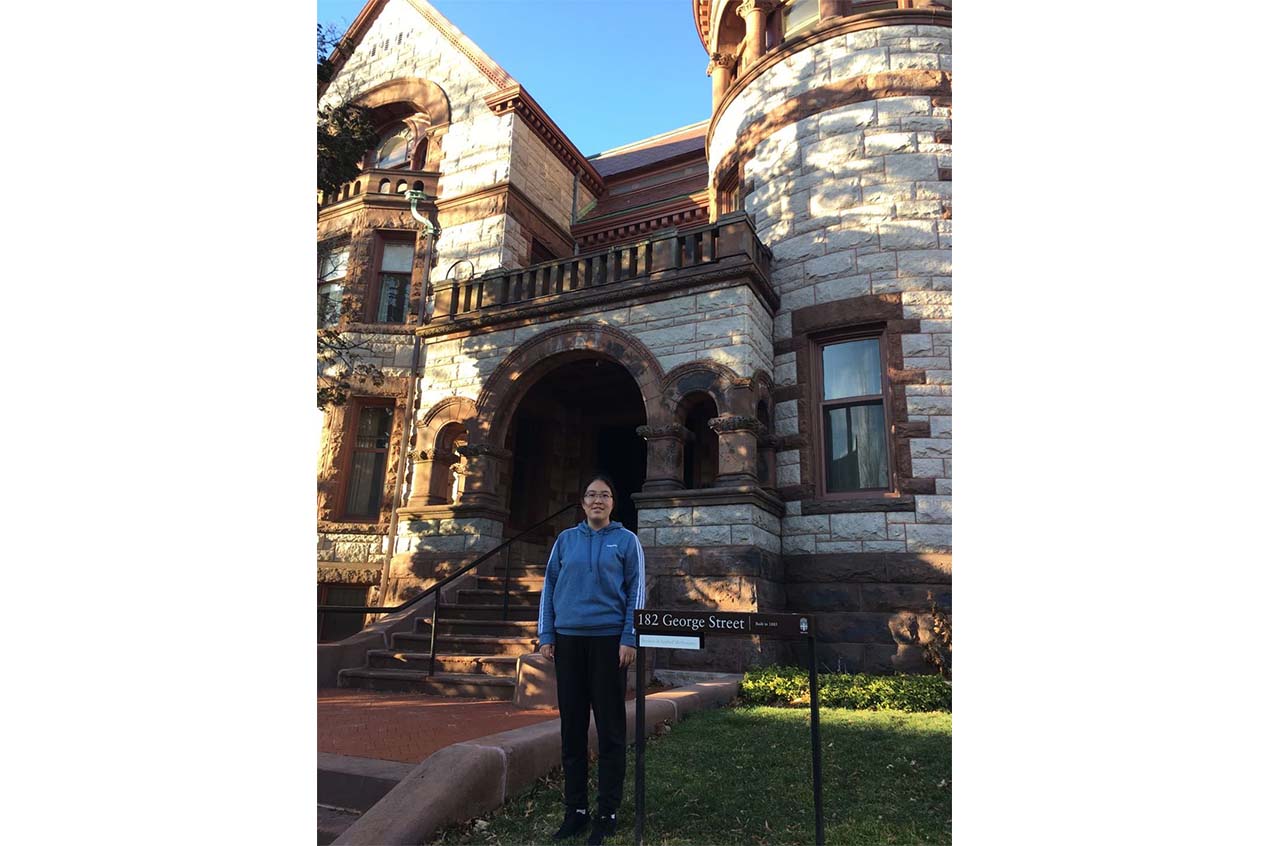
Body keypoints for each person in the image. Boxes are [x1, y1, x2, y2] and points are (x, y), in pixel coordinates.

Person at [537, 473, 645, 845]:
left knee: (611, 730)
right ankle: (576, 811)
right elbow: (549, 586)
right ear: (582, 502)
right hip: (568, 641)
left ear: (613, 502)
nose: (597, 500)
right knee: (572, 729)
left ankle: (607, 812)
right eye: (591, 495)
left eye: (604, 495)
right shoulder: (565, 540)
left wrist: (629, 638)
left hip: (608, 643)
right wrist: (547, 635)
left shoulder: (627, 541)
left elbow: (636, 591)